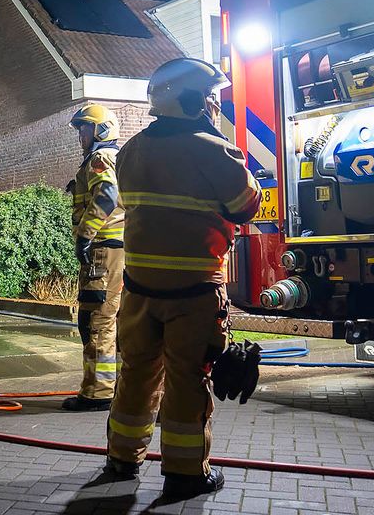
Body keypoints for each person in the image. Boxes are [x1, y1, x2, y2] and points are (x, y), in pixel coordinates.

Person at [105, 58, 261, 499]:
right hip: (193, 293)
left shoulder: (130, 151)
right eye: (210, 98)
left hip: (138, 291)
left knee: (135, 373)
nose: (214, 106)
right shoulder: (213, 151)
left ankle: (122, 458)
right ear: (192, 101)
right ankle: (186, 472)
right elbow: (247, 205)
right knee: (189, 379)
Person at [63, 104, 125, 412]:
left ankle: (98, 393)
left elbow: (106, 195)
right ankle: (119, 388)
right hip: (118, 251)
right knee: (117, 322)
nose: (81, 136)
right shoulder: (114, 158)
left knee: (96, 320)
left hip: (103, 249)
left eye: (85, 130)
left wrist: (85, 235)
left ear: (101, 131)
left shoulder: (100, 159)